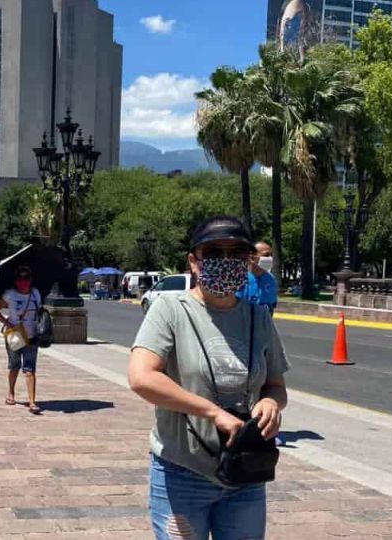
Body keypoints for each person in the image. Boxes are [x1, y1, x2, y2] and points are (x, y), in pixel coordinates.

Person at [127, 216, 289, 540]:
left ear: (248, 261)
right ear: (194, 261)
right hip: (183, 472)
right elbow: (141, 377)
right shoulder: (170, 310)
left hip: (246, 472)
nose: (226, 262)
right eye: (214, 252)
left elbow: (276, 385)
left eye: (237, 254)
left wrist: (272, 403)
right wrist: (213, 413)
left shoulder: (258, 317)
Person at [0, 266, 42, 414]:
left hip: (32, 335)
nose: (23, 281)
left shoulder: (35, 293)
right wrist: (6, 323)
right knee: (14, 365)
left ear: (30, 280)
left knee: (30, 369)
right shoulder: (10, 295)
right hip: (15, 334)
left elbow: (40, 311)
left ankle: (32, 402)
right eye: (20, 278)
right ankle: (11, 392)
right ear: (16, 280)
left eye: (26, 278)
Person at [237, 241, 279, 312]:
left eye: (271, 255)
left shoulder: (272, 279)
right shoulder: (240, 280)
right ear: (251, 257)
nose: (270, 258)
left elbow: (272, 305)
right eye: (266, 255)